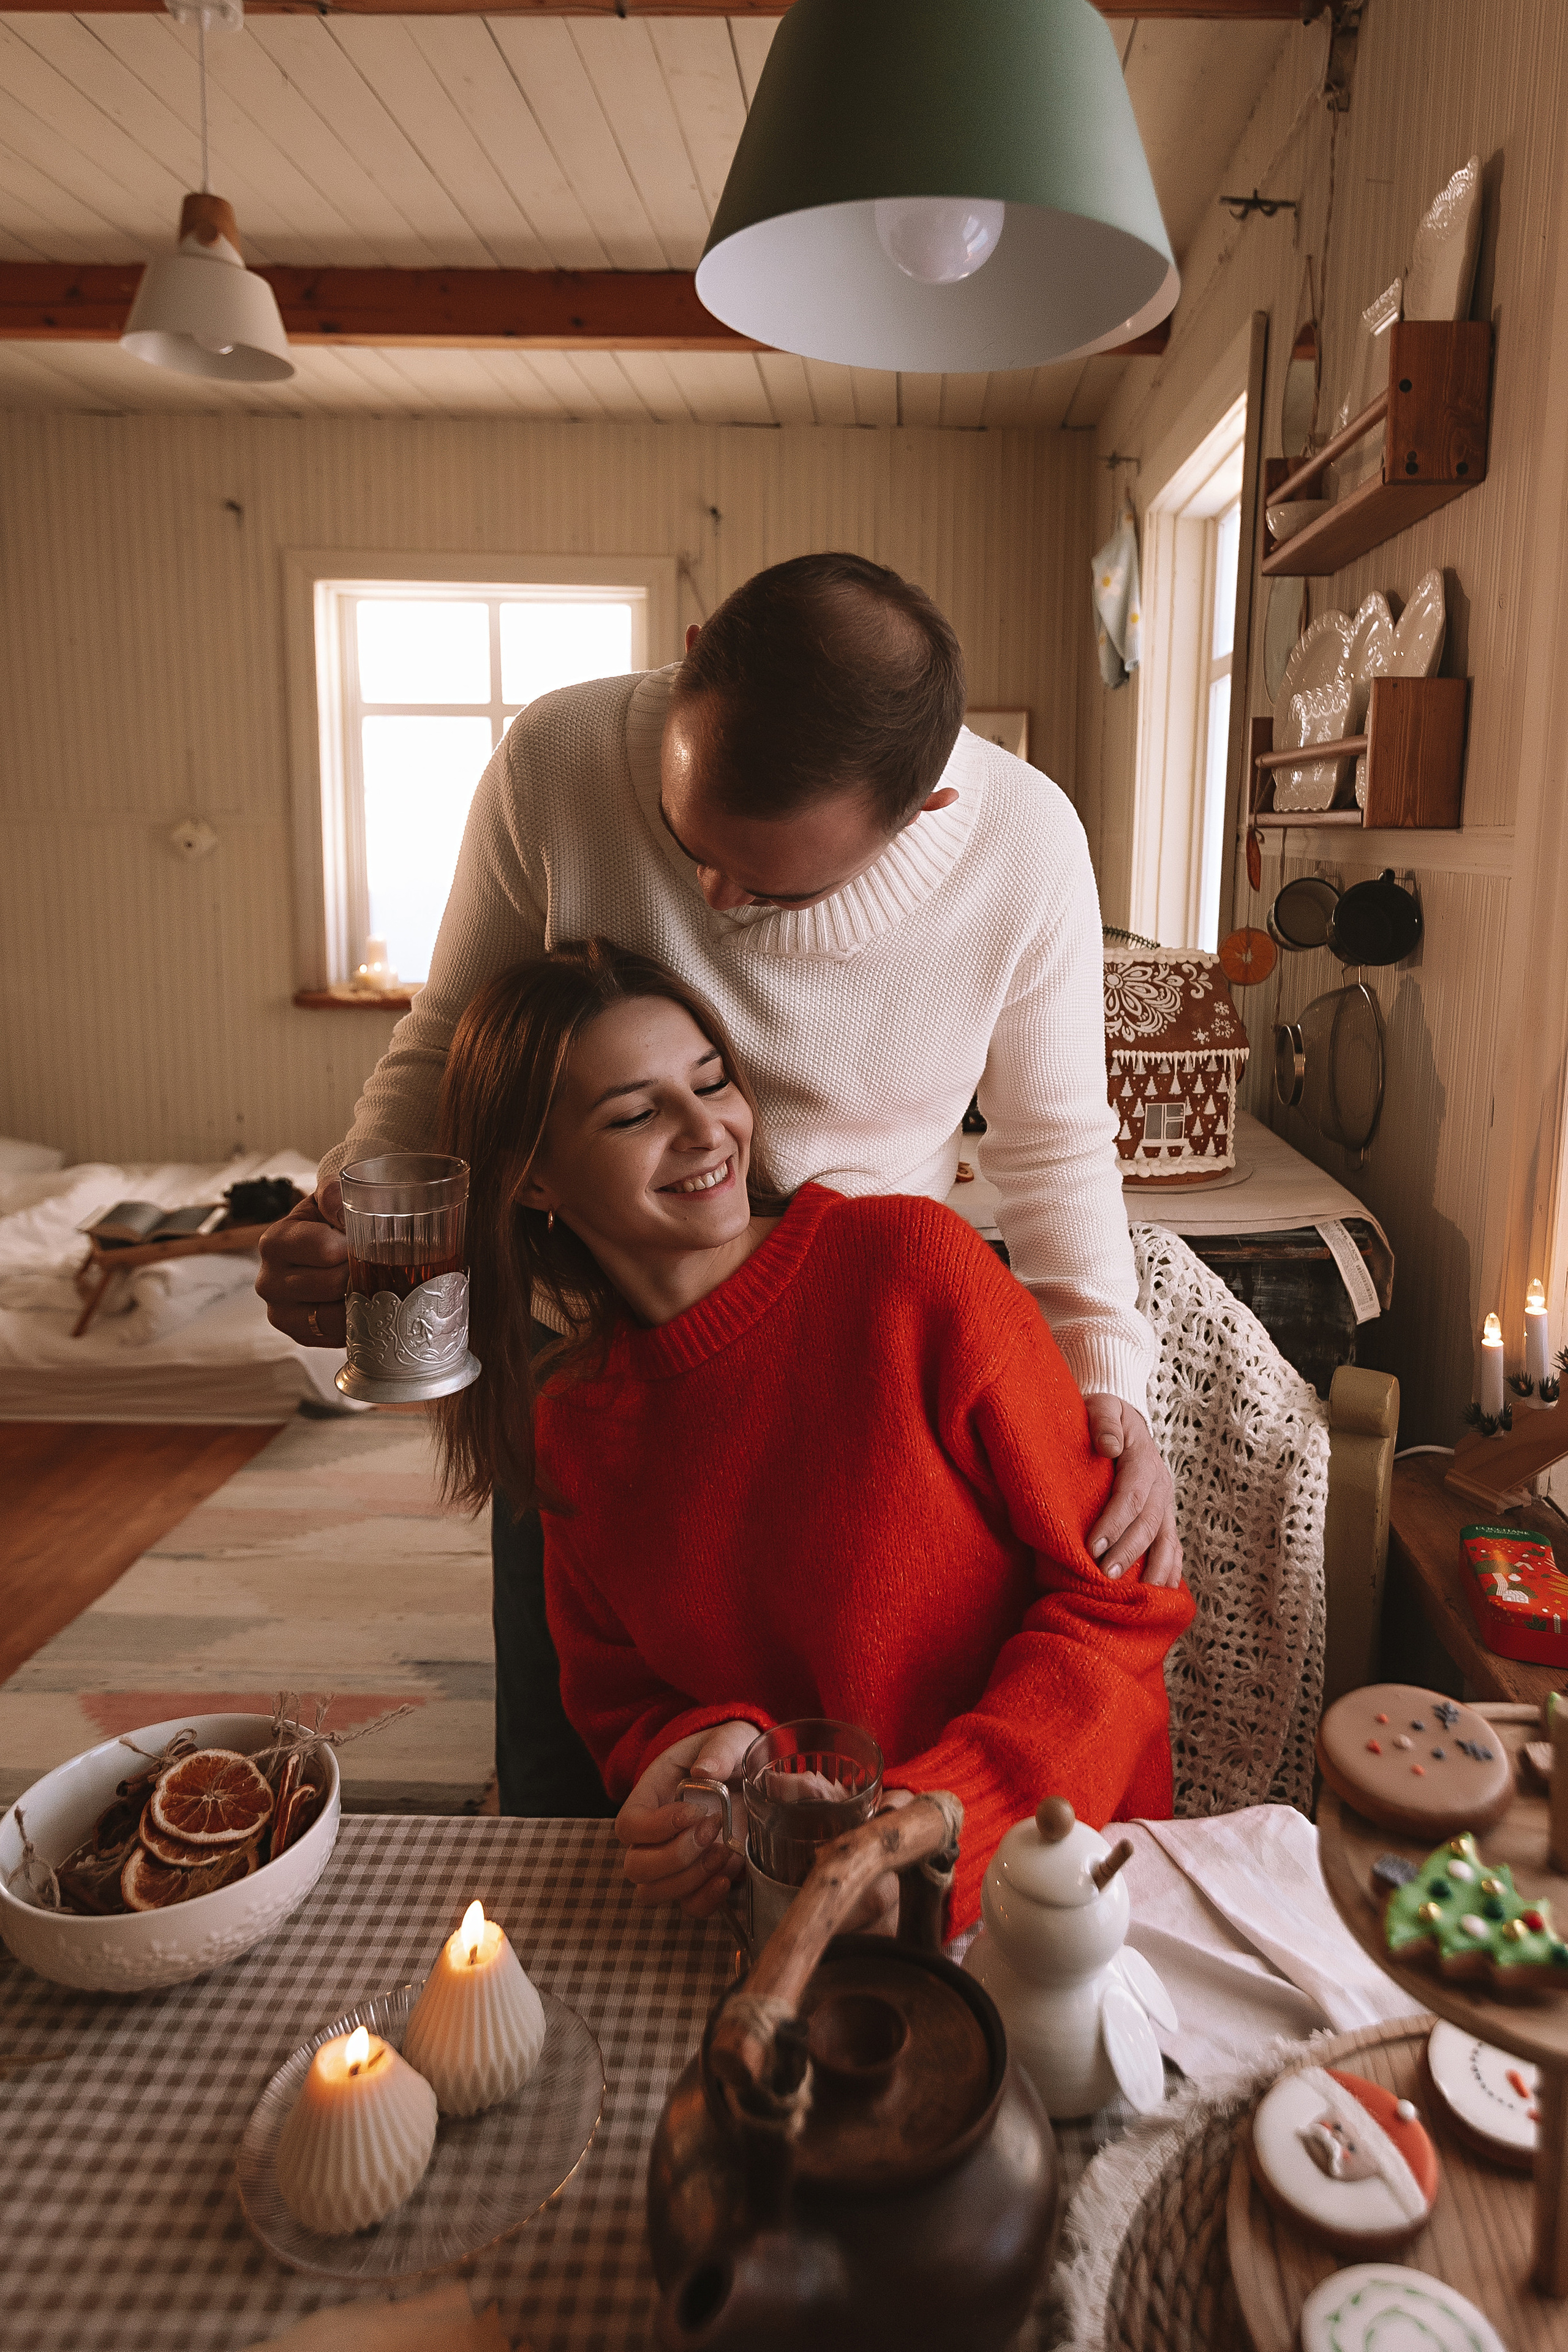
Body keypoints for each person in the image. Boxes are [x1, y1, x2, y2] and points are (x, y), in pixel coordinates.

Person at [257, 552, 1180, 1817]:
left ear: (922, 810)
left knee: (868, 1699)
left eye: (774, 883)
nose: (712, 900)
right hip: (601, 1339)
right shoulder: (558, 759)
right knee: (584, 1766)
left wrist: (1106, 1392)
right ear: (689, 657)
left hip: (858, 1348)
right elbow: (451, 1043)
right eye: (691, 844)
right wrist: (350, 1212)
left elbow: (1056, 1143)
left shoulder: (1024, 846)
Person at [432, 940, 1193, 1936]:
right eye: (635, 1114)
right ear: (535, 1179)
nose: (706, 1130)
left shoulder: (911, 1272)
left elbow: (1120, 1610)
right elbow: (629, 1706)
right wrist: (708, 1760)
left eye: (713, 1082)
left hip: (1058, 1895)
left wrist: (931, 1831)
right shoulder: (572, 1428)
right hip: (783, 1911)